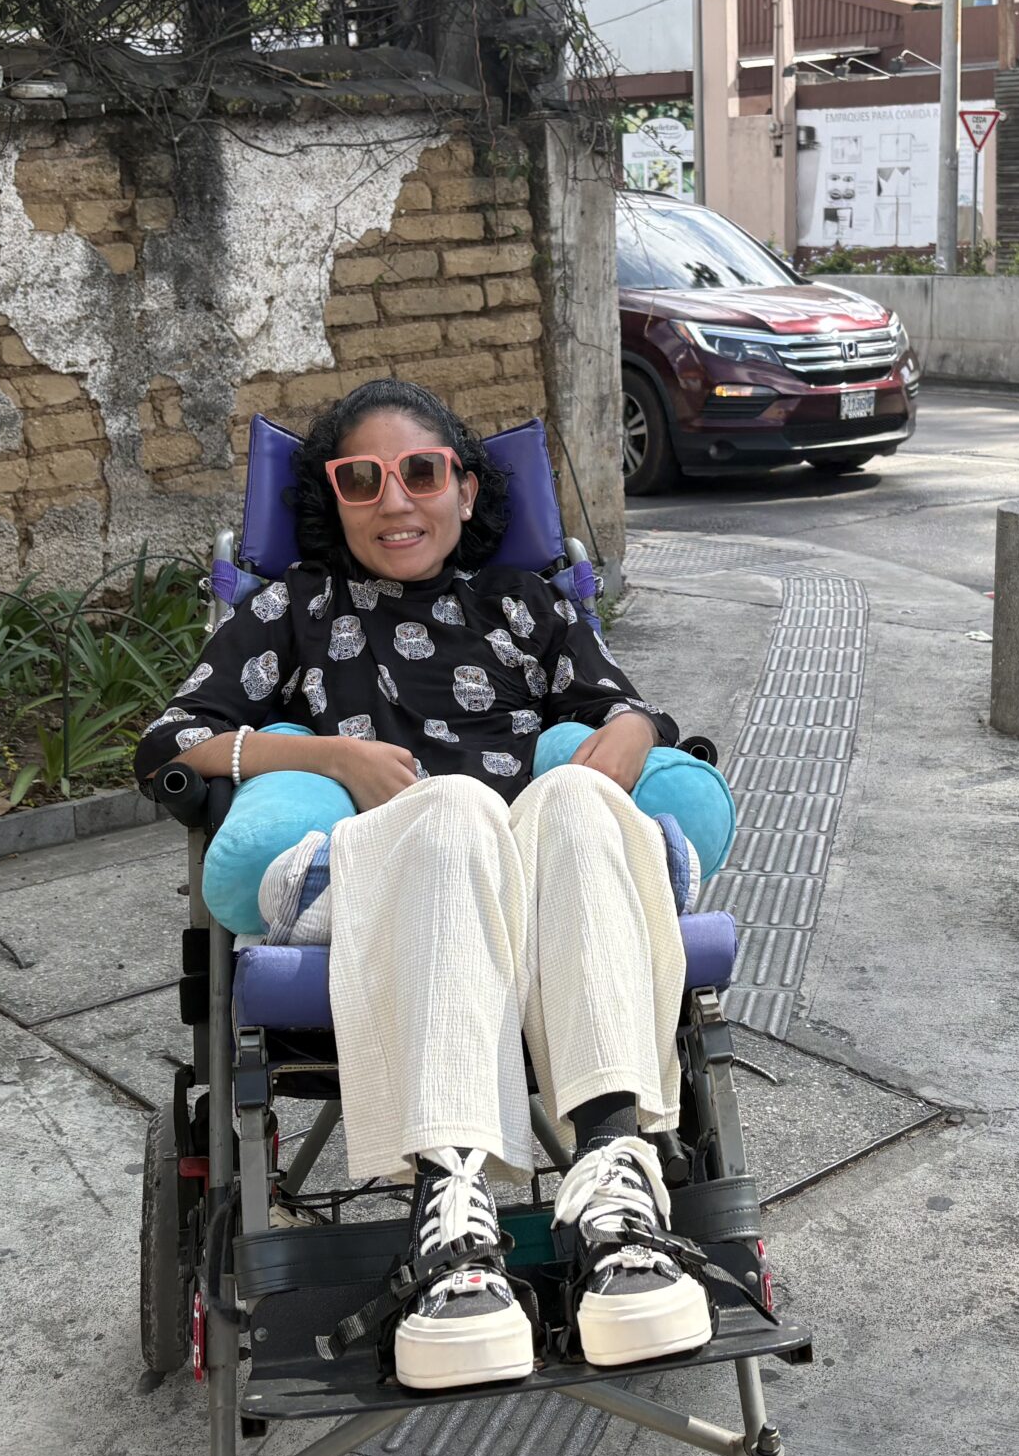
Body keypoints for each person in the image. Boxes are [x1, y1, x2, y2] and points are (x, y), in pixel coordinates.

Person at [132, 379, 709, 1392]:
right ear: (333, 500)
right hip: (378, 890)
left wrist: (624, 734)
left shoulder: (525, 605)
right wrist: (325, 757)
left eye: (421, 472)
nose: (395, 501)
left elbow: (621, 702)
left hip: (535, 892)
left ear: (469, 490)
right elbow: (168, 743)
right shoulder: (292, 609)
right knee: (451, 809)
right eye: (362, 480)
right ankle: (450, 1217)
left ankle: (617, 1193)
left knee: (569, 805)